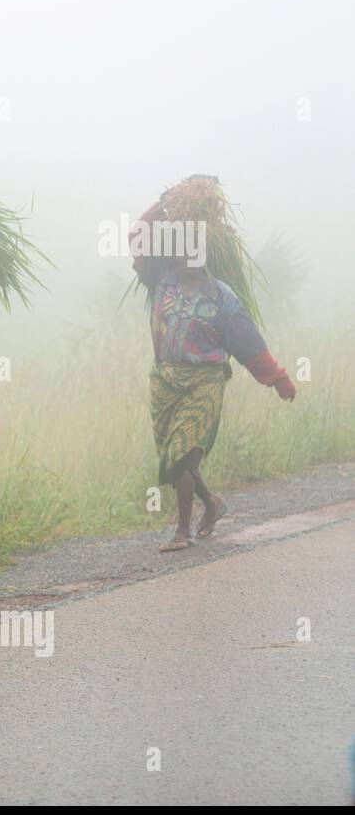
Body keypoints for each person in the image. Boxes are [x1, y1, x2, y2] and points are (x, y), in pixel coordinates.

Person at [130, 183, 297, 552]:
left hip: (204, 381)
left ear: (206, 254)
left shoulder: (222, 297)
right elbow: (137, 238)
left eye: (197, 248)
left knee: (183, 450)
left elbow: (248, 344)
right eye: (185, 247)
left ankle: (182, 531)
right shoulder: (160, 279)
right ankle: (213, 503)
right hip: (165, 382)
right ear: (176, 252)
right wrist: (163, 204)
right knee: (177, 456)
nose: (191, 255)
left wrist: (278, 379)